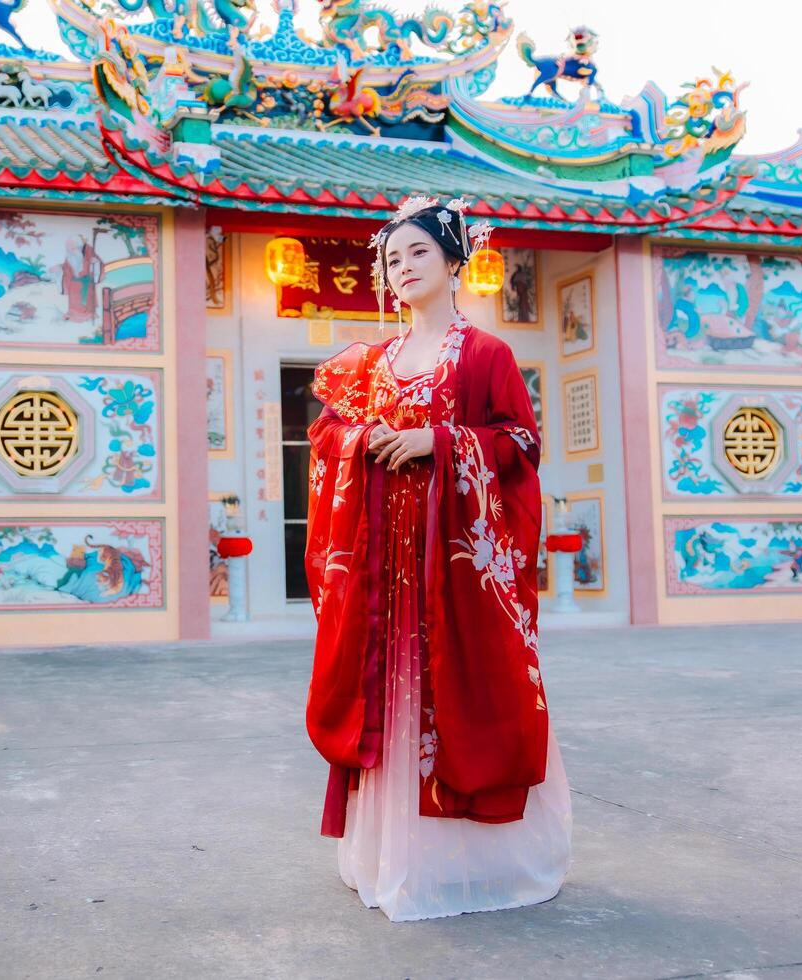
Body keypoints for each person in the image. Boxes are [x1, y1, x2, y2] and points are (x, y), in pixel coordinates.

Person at [303, 195, 572, 921]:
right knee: (389, 700)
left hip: (452, 572)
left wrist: (440, 441)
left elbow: (521, 443)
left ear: (456, 262)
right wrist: (366, 441)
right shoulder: (372, 363)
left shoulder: (487, 355)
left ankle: (478, 867)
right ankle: (397, 859)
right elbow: (328, 435)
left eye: (419, 252)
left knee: (461, 697)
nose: (403, 267)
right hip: (384, 571)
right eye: (392, 258)